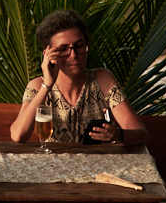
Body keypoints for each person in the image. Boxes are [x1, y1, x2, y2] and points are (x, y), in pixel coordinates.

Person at [10, 9, 149, 145]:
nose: (73, 55)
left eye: (79, 46)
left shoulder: (103, 80)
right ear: (47, 54)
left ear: (87, 47)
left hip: (98, 160)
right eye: (63, 49)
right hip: (55, 160)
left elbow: (142, 134)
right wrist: (47, 85)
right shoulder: (37, 85)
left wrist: (118, 134)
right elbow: (18, 135)